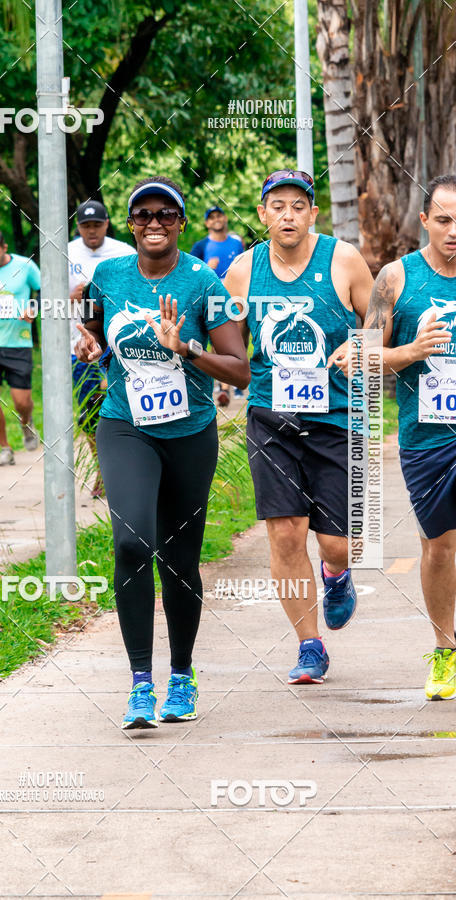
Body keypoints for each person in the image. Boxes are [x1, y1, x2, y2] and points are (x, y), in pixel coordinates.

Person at [74, 175, 250, 729]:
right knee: (132, 543)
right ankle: (139, 684)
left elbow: (240, 369)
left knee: (179, 559)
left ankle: (181, 675)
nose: (154, 223)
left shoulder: (203, 282)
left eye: (165, 214)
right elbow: (92, 328)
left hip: (190, 433)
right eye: (144, 215)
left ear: (181, 222)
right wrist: (89, 343)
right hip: (126, 425)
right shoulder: (109, 274)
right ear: (131, 224)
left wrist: (187, 348)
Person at [225, 169, 373, 685]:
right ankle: (310, 645)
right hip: (271, 419)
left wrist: (360, 343)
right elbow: (227, 340)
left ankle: (337, 573)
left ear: (313, 213)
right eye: (277, 206)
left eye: (298, 206)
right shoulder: (243, 271)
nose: (288, 215)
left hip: (338, 418)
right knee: (286, 535)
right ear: (262, 213)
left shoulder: (344, 260)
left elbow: (381, 322)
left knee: (337, 543)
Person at [362, 173, 456, 700]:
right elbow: (363, 357)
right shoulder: (394, 279)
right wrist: (412, 352)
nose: (453, 230)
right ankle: (445, 650)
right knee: (439, 547)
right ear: (424, 221)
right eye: (443, 220)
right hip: (427, 437)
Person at [68, 200, 135, 497]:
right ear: (78, 226)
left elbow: (138, 290)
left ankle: (129, 468)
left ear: (107, 224)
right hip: (80, 347)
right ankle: (102, 469)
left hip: (120, 345)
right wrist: (71, 296)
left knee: (124, 408)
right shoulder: (65, 252)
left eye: (97, 225)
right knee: (90, 412)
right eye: (86, 226)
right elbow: (47, 297)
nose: (92, 231)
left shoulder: (124, 252)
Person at [0, 228, 41, 466]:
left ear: (4, 247)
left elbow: (44, 289)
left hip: (18, 342)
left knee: (21, 402)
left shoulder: (25, 266)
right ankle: (5, 448)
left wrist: (33, 308)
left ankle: (26, 422)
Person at [191, 206, 245, 405]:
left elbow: (245, 267)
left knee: (238, 339)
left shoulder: (237, 243)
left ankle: (231, 384)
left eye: (219, 215)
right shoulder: (201, 246)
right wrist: (207, 268)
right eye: (211, 217)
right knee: (216, 342)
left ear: (225, 218)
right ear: (207, 223)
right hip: (211, 299)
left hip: (236, 297)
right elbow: (190, 274)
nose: (216, 219)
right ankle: (223, 386)